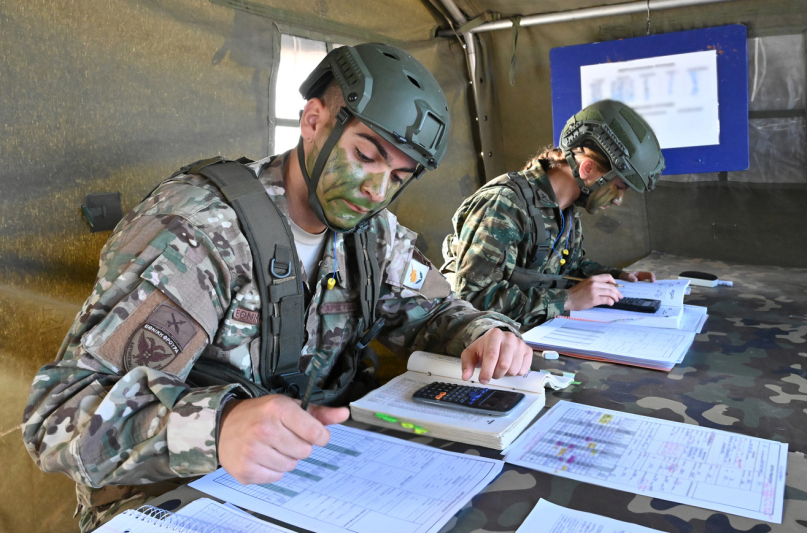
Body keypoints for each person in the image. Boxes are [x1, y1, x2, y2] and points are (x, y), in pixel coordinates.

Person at [22, 43, 531, 532]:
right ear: (313, 122)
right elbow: (57, 416)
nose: (377, 191)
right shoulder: (199, 233)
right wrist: (218, 429)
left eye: (399, 176)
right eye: (366, 155)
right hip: (175, 498)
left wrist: (483, 332)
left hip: (309, 484)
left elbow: (437, 310)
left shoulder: (372, 235)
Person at [441, 100, 665, 330]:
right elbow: (473, 298)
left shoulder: (566, 211)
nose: (618, 200)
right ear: (587, 169)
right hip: (483, 347)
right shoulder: (504, 204)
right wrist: (568, 300)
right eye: (619, 187)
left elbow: (567, 268)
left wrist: (616, 277)